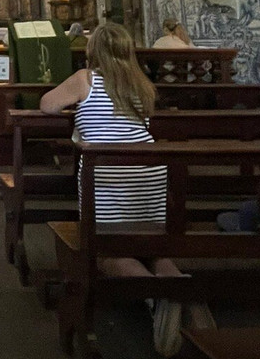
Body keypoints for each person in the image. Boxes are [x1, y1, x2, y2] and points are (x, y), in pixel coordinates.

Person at [39, 22, 213, 356]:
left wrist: (78, 109)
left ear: (95, 52)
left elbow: (47, 104)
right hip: (148, 177)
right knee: (154, 248)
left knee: (110, 253)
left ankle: (157, 299)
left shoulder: (86, 79)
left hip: (107, 178)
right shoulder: (141, 84)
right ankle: (182, 290)